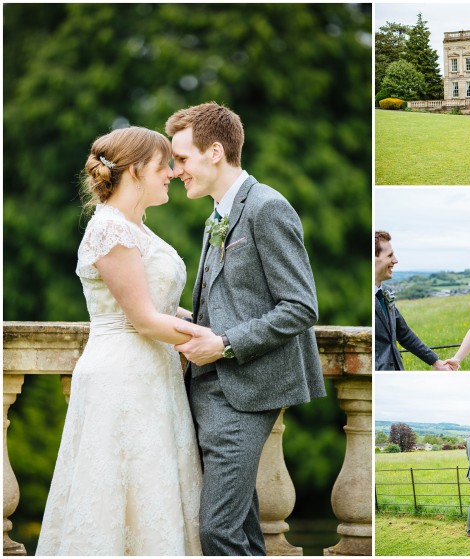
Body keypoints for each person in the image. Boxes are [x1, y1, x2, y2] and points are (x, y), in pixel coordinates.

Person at [167, 102, 326, 555]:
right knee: (243, 528)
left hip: (248, 390)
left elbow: (300, 306)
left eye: (182, 159)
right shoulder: (217, 213)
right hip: (208, 388)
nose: (177, 171)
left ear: (215, 151)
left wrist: (225, 344)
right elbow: (231, 301)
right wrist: (178, 320)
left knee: (218, 531)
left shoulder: (267, 207)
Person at [37, 127, 203, 555]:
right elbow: (146, 321)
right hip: (123, 376)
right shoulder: (109, 228)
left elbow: (161, 306)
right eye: (162, 165)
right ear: (134, 170)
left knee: (154, 493)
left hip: (152, 375)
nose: (171, 173)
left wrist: (205, 319)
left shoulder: (136, 227)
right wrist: (218, 340)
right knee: (117, 497)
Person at [375, 230, 455, 370]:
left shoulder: (386, 292)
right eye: (390, 255)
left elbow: (404, 333)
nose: (395, 260)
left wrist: (436, 362)